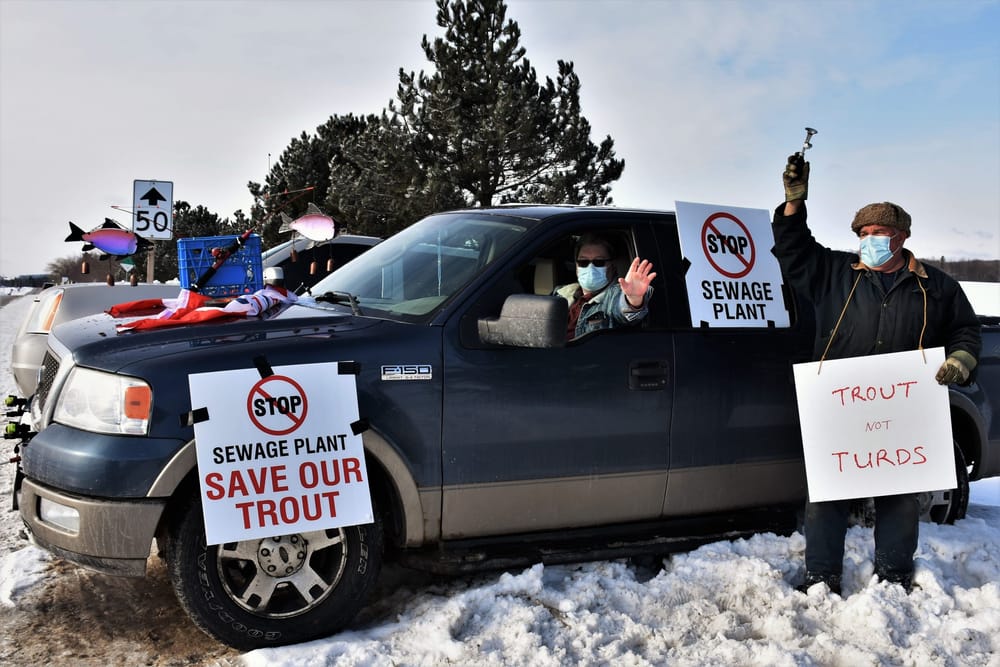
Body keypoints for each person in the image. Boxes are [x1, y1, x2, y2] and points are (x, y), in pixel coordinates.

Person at [773, 153, 982, 595]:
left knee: (900, 498)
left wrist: (962, 359)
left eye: (879, 233)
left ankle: (894, 576)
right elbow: (793, 250)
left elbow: (965, 329)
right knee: (827, 496)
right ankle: (821, 577)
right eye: (863, 233)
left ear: (901, 237)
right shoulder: (834, 274)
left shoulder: (937, 286)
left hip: (903, 412)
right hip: (843, 406)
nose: (869, 240)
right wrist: (794, 203)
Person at [554, 233, 656, 339]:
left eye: (599, 262)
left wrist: (633, 299)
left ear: (612, 265)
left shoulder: (615, 296)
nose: (590, 268)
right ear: (576, 265)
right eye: (583, 262)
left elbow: (623, 310)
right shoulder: (561, 292)